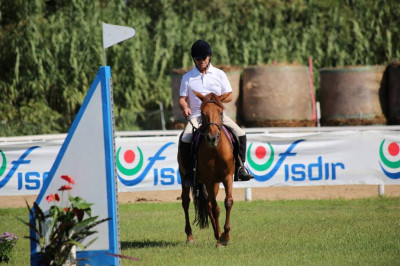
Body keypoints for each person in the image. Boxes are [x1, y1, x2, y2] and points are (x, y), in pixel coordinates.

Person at [178, 39, 254, 184]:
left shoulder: (219, 74)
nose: (201, 61)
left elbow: (230, 95)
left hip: (218, 116)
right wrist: (185, 107)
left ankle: (240, 168)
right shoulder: (187, 77)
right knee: (185, 139)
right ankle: (188, 172)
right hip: (196, 116)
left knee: (240, 133)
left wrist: (216, 102)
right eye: (197, 59)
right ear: (194, 59)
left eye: (203, 58)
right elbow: (182, 99)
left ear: (209, 57)